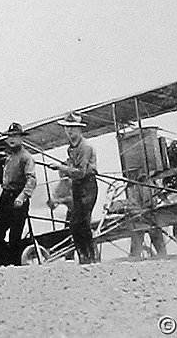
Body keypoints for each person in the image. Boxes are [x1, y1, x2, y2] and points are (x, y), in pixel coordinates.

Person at [49, 112, 98, 264]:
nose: (69, 131)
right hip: (77, 187)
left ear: (79, 129)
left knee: (82, 222)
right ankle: (84, 257)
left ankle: (90, 257)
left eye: (72, 128)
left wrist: (61, 167)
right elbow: (72, 166)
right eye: (66, 128)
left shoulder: (85, 147)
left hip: (87, 186)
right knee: (74, 224)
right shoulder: (71, 148)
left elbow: (81, 172)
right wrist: (64, 166)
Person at [0, 122, 37, 265]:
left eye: (15, 136)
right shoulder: (7, 157)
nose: (12, 139)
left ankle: (15, 265)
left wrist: (22, 197)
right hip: (6, 197)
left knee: (14, 237)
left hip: (18, 196)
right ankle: (7, 262)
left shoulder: (26, 157)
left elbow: (32, 180)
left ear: (21, 138)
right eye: (9, 136)